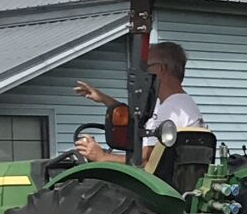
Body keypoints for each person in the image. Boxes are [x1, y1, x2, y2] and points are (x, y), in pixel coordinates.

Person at [72, 41, 204, 167]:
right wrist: (105, 99)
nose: (143, 73)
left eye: (145, 67)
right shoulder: (179, 104)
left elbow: (146, 160)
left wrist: (102, 157)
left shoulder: (171, 109)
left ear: (158, 69)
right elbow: (138, 120)